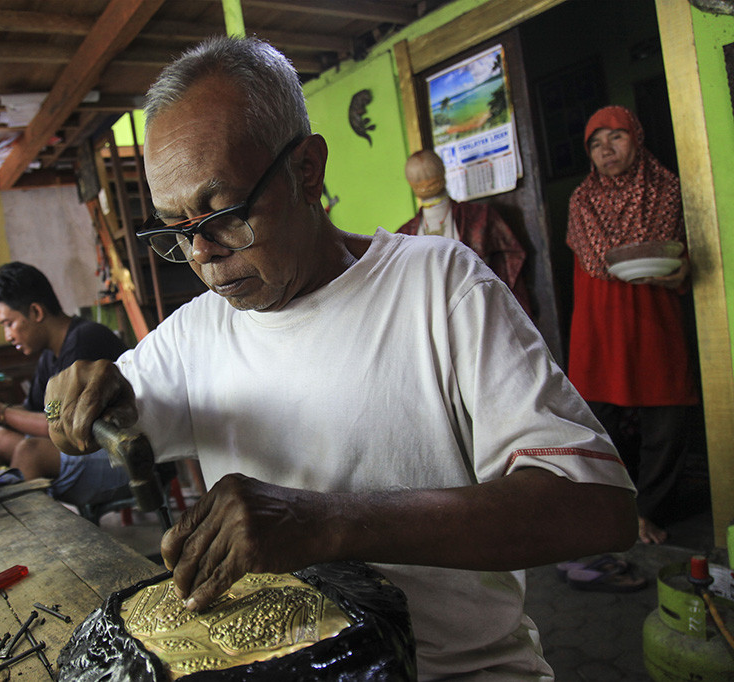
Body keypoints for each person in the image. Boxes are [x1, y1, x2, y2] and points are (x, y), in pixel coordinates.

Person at [43, 37, 637, 679]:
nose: (201, 254)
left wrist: (326, 521)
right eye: (175, 229)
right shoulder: (197, 334)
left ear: (307, 170)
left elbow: (598, 508)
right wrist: (69, 400)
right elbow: (77, 423)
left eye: (223, 213)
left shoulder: (439, 289)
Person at [566, 105, 696, 546]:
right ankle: (615, 512)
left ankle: (650, 512)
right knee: (599, 427)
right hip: (601, 326)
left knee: (668, 423)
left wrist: (682, 270)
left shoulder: (669, 190)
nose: (606, 150)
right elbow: (605, 261)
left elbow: (686, 251)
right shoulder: (582, 201)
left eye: (616, 137)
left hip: (654, 321)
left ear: (636, 139)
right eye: (596, 143)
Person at [0, 262, 133, 506]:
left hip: (126, 456)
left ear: (36, 312)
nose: (7, 336)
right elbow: (34, 414)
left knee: (30, 453)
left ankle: (19, 533)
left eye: (8, 323)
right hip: (90, 450)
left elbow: (63, 428)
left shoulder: (85, 341)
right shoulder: (49, 355)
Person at [397, 149, 533, 316]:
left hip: (483, 313)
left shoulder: (480, 217)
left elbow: (511, 264)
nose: (425, 182)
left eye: (428, 176)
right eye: (419, 178)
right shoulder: (403, 236)